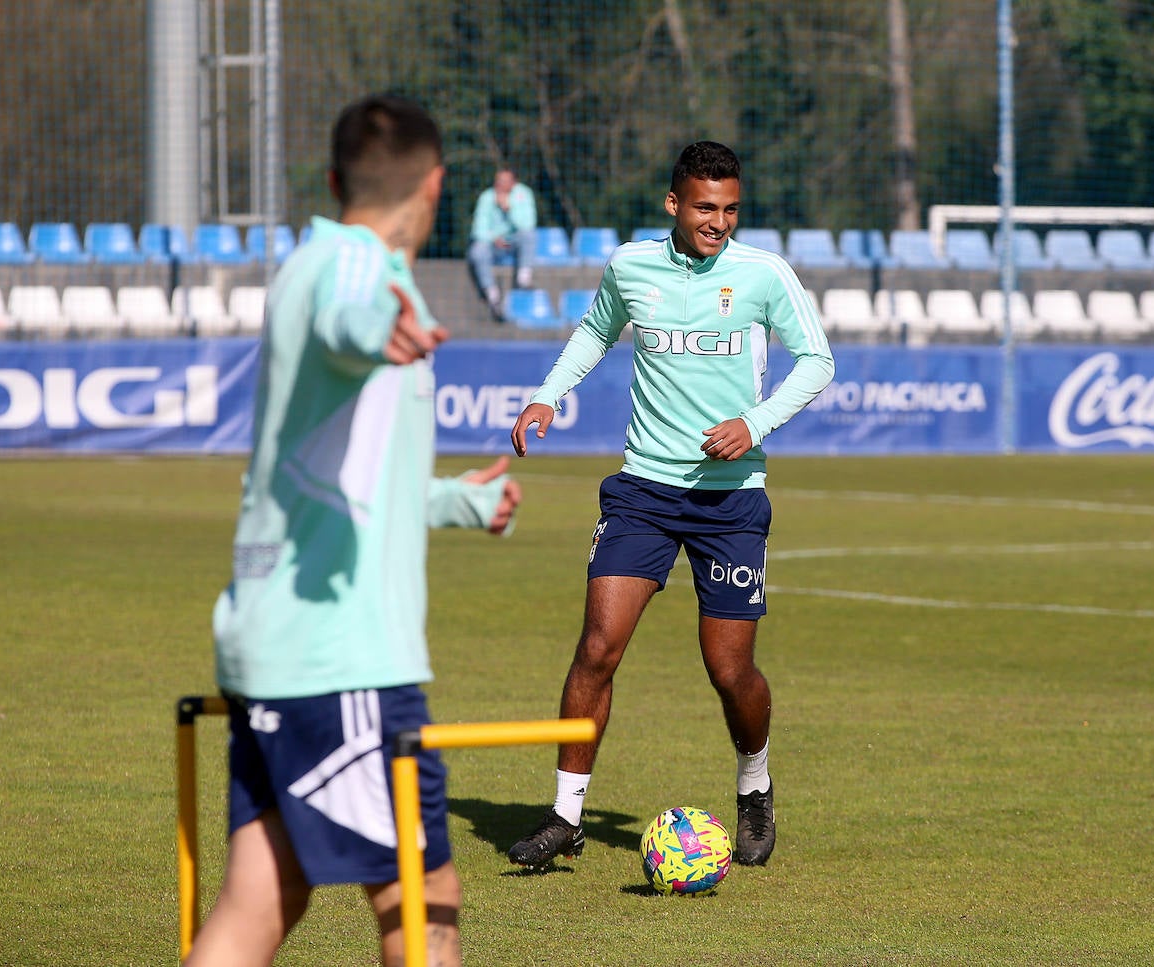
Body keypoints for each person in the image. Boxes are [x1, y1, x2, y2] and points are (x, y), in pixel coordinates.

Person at [187, 94, 520, 967]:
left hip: (274, 646)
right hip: (344, 663)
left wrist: (458, 501)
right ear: (438, 187)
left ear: (333, 180)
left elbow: (358, 471)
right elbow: (349, 319)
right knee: (423, 894)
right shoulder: (360, 274)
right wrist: (376, 330)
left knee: (263, 899)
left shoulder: (311, 263)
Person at [506, 140, 834, 870]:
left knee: (729, 670)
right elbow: (595, 331)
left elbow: (818, 361)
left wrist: (754, 423)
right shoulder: (630, 266)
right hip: (644, 492)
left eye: (730, 209)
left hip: (730, 502)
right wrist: (545, 394)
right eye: (705, 207)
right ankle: (565, 815)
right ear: (674, 204)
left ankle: (755, 783)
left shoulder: (764, 275)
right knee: (598, 645)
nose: (718, 222)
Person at [466, 167, 538, 319]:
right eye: (498, 181)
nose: (500, 184)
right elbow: (478, 230)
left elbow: (527, 225)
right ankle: (492, 294)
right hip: (493, 244)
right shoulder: (486, 197)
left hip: (514, 241)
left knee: (528, 236)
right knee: (477, 250)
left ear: (513, 182)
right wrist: (494, 238)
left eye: (505, 181)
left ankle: (524, 279)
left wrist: (507, 209)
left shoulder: (524, 194)